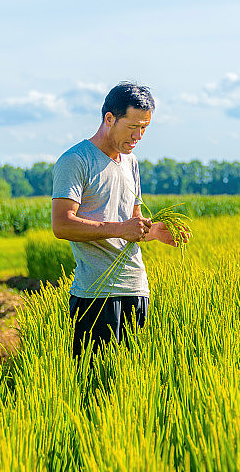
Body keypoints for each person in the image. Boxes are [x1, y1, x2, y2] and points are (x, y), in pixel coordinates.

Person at [51, 81, 183, 358]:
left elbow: (132, 225)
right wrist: (120, 228)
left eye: (144, 127)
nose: (139, 135)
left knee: (131, 382)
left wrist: (157, 232)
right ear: (109, 119)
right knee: (95, 383)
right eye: (133, 126)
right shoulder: (76, 161)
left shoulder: (131, 163)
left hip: (136, 289)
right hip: (95, 296)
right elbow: (62, 224)